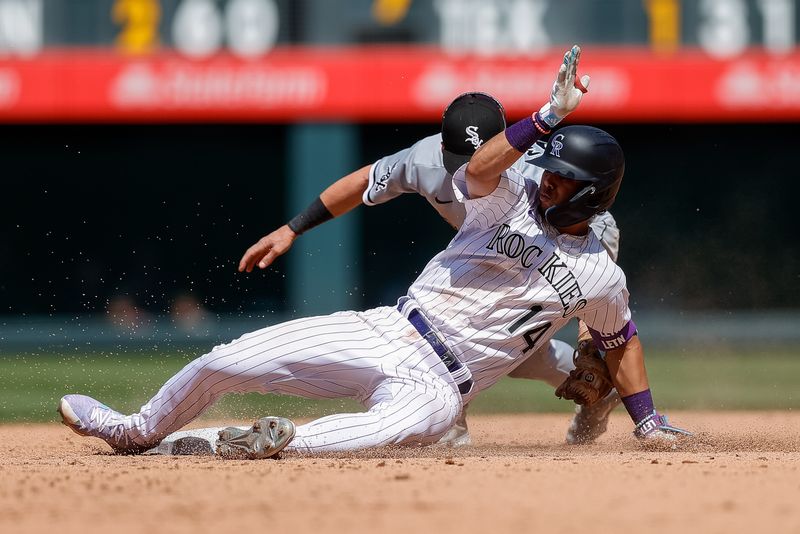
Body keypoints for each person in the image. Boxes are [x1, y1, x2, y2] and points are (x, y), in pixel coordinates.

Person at [58, 45, 690, 457]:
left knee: (371, 435)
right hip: (388, 330)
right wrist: (547, 116)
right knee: (229, 359)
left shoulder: (601, 276)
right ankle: (134, 431)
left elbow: (621, 338)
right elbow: (480, 168)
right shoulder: (509, 196)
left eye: (561, 180)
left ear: (593, 195)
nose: (545, 181)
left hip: (448, 382)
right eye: (545, 170)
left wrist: (648, 419)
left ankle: (251, 444)